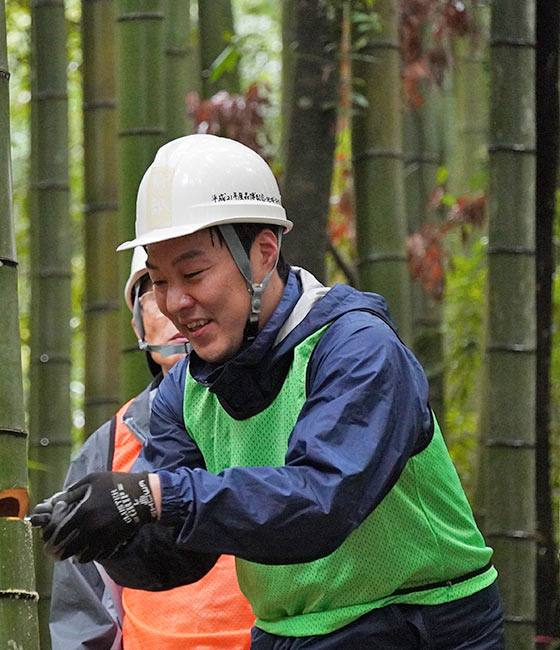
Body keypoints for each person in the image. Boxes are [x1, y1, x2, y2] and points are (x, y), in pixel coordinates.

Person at [32, 134, 504, 649]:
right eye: (158, 280)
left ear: (263, 252)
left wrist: (154, 494)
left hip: (419, 625)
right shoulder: (185, 390)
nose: (174, 302)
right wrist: (106, 532)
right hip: (286, 634)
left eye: (192, 273)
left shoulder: (357, 348)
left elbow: (321, 503)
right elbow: (177, 556)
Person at [49, 247, 256, 650]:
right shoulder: (108, 447)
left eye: (194, 278)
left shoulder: (284, 405)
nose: (178, 308)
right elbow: (85, 616)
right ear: (137, 322)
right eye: (157, 290)